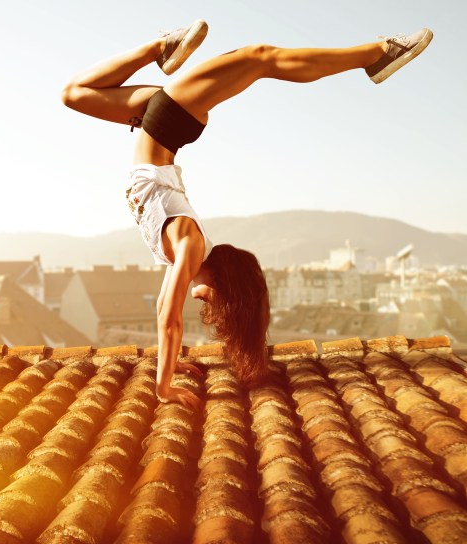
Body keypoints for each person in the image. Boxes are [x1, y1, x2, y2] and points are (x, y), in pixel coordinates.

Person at [61, 21, 433, 410]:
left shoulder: (180, 254)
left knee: (73, 94)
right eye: (216, 304)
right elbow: (168, 317)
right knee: (260, 57)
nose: (206, 307)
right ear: (224, 285)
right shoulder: (190, 246)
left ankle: (161, 48)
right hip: (168, 119)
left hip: (160, 123)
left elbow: (165, 314)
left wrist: (170, 365)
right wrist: (163, 386)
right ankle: (379, 52)